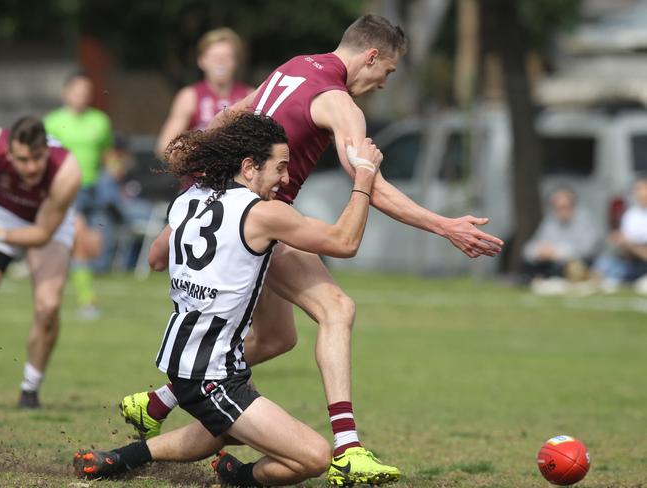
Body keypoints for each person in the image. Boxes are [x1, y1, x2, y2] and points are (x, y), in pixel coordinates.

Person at [120, 14, 504, 486]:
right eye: (389, 71)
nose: (384, 83)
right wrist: (445, 226)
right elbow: (372, 185)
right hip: (260, 220)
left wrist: (202, 176)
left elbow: (230, 115)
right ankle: (348, 447)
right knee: (337, 308)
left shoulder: (295, 65)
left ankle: (157, 402)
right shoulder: (340, 104)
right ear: (371, 56)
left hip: (214, 202)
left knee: (280, 338)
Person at [73, 112, 386, 487]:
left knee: (227, 425)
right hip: (211, 376)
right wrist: (364, 175)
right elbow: (344, 242)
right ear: (250, 167)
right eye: (280, 168)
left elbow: (156, 259)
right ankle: (239, 478)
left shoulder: (191, 197)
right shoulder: (264, 214)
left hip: (193, 359)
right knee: (314, 457)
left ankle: (121, 457)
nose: (286, 179)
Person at [0, 116, 81, 408]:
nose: (30, 167)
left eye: (36, 158)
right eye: (22, 159)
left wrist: (2, 235)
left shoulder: (66, 171)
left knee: (48, 307)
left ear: (46, 149)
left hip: (46, 223)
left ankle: (30, 388)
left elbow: (41, 234)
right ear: (8, 152)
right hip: (2, 211)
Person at [44, 72, 116, 317]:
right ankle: (88, 301)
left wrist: (115, 170)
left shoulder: (100, 121)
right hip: (65, 190)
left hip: (93, 190)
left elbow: (108, 154)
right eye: (77, 91)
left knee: (93, 245)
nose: (81, 96)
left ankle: (70, 290)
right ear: (66, 93)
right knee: (80, 242)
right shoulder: (52, 122)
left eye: (86, 91)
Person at [155, 27, 253, 157]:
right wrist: (201, 150)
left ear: (235, 62)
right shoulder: (189, 96)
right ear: (202, 61)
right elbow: (164, 147)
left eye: (226, 57)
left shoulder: (250, 95)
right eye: (214, 57)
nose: (220, 62)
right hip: (200, 175)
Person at [522, 186, 602, 287]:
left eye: (565, 207)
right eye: (557, 208)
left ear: (573, 206)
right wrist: (538, 251)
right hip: (550, 263)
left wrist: (558, 252)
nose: (561, 212)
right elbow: (529, 248)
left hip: (574, 264)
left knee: (572, 265)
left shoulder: (585, 221)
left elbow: (587, 249)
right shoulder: (549, 221)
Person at [593, 175, 647, 292]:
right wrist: (619, 241)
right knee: (603, 263)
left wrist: (631, 245)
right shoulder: (631, 215)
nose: (640, 194)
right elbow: (625, 248)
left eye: (643, 189)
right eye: (637, 190)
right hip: (632, 259)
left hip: (642, 259)